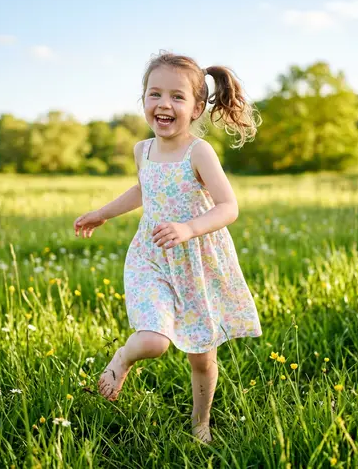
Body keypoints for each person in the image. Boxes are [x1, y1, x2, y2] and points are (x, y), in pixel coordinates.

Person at [73, 52, 263, 443]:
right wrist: (102, 213)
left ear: (196, 109)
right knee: (154, 341)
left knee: (202, 359)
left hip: (198, 263)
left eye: (177, 97)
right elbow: (144, 189)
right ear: (143, 100)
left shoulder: (199, 152)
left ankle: (200, 426)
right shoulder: (142, 150)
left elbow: (229, 207)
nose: (164, 104)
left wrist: (189, 228)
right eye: (154, 93)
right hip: (151, 258)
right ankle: (123, 358)